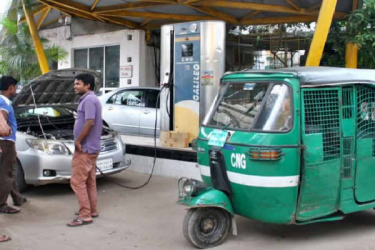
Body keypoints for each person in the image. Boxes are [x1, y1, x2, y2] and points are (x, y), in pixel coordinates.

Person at [67, 73, 102, 227]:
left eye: (78, 84)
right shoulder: (91, 99)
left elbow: (89, 122)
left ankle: (85, 215)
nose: (75, 86)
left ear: (87, 85)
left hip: (85, 148)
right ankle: (92, 210)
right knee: (89, 181)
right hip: (91, 147)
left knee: (77, 181)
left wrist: (79, 140)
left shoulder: (88, 100)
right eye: (75, 84)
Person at [0, 76, 21, 214]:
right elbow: (2, 124)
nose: (16, 90)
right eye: (15, 87)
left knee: (9, 171)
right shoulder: (3, 102)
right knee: (6, 174)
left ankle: (18, 198)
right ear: (11, 87)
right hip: (5, 142)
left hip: (6, 142)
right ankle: (1, 204)